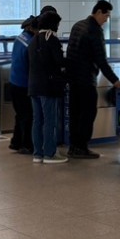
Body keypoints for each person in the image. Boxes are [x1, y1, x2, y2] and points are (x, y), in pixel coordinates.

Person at [65, 0, 120, 159]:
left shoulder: (77, 26)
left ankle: (73, 147)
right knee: (88, 114)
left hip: (73, 78)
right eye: (106, 16)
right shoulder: (94, 31)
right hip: (86, 79)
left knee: (75, 113)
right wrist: (115, 81)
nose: (106, 20)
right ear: (99, 12)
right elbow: (101, 60)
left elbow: (70, 52)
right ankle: (82, 147)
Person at [28, 10, 68, 164]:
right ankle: (50, 154)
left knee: (37, 120)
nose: (58, 27)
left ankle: (37, 153)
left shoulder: (33, 40)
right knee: (49, 120)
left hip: (33, 86)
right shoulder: (51, 39)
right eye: (57, 24)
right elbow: (59, 61)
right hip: (48, 87)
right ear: (53, 24)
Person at [8, 15, 35, 154]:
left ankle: (16, 142)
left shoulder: (20, 38)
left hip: (14, 82)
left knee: (20, 114)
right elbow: (32, 65)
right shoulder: (30, 43)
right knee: (28, 115)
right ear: (31, 28)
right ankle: (27, 144)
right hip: (23, 84)